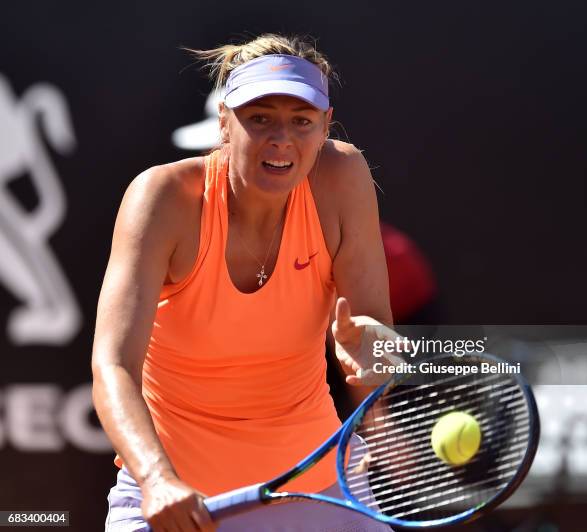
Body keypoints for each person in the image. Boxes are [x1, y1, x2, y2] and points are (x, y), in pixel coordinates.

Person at [92, 33, 394, 531]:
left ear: (325, 127)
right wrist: (156, 478)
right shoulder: (162, 198)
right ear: (224, 124)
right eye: (260, 119)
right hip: (177, 497)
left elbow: (373, 339)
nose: (281, 139)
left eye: (302, 121)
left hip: (318, 490)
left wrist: (377, 386)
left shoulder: (342, 176)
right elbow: (112, 366)